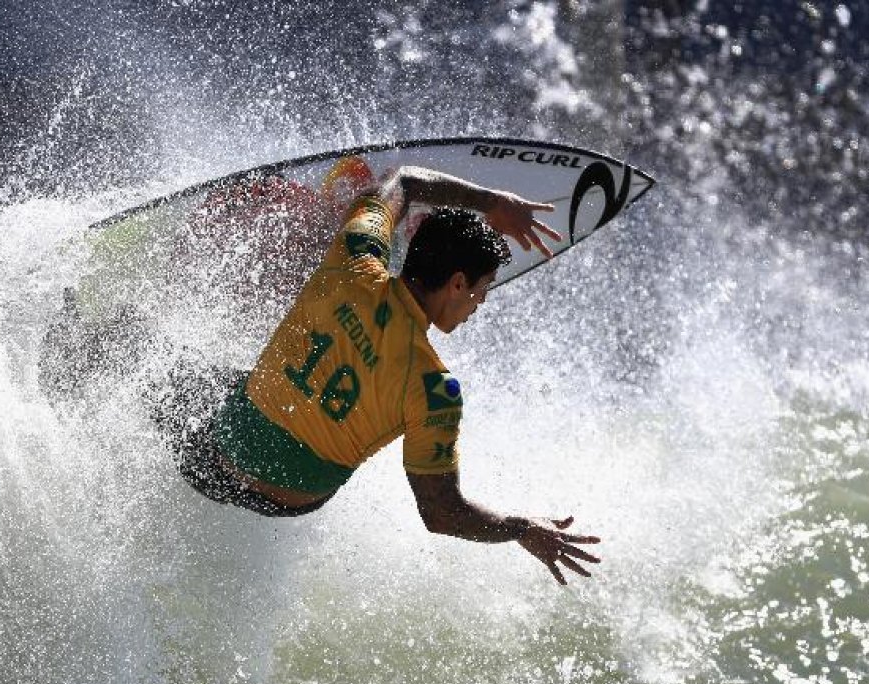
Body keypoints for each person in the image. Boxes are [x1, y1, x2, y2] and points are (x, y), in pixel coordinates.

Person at [158, 165, 601, 585]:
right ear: (457, 283)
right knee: (248, 382)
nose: (480, 304)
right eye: (482, 290)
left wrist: (490, 202)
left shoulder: (354, 254)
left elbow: (404, 181)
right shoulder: (435, 390)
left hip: (218, 454)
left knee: (146, 352)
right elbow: (441, 513)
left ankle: (102, 342)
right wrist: (521, 529)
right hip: (292, 499)